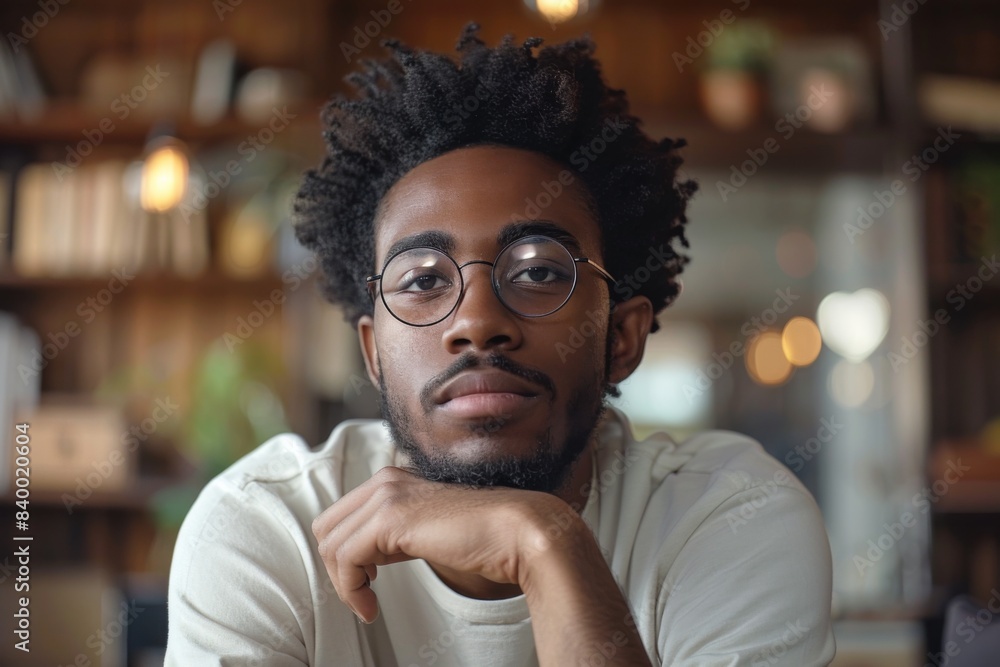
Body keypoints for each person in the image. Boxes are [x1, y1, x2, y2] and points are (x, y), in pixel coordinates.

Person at [166, 23, 835, 666]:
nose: (477, 321)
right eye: (423, 280)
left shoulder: (728, 515)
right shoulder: (267, 527)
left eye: (539, 272)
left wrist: (544, 545)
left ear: (621, 337)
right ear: (372, 353)